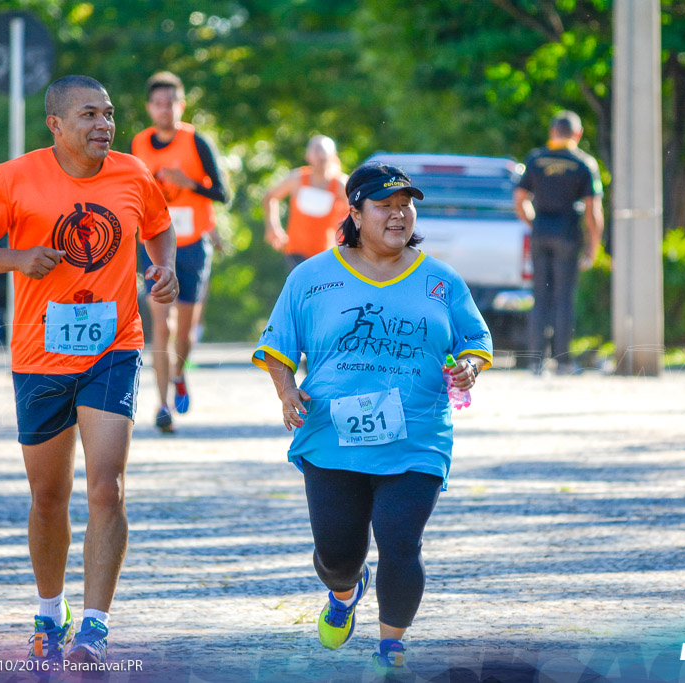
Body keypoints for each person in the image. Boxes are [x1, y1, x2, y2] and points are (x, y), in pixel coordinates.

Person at [0, 75, 177, 667]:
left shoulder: (132, 173)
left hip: (114, 348)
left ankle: (96, 625)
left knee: (107, 486)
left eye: (108, 114)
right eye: (89, 115)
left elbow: (159, 226)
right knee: (49, 497)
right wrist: (16, 257)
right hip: (39, 354)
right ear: (55, 124)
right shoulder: (14, 178)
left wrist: (164, 267)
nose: (104, 125)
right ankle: (51, 610)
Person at [253, 163, 492, 678]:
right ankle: (344, 591)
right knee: (337, 553)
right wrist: (286, 388)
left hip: (418, 436)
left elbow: (474, 340)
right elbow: (276, 345)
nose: (398, 213)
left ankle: (392, 647)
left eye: (406, 204)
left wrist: (468, 368)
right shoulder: (312, 277)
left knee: (400, 537)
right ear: (356, 213)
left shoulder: (440, 280)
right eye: (384, 204)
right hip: (332, 437)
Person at [131, 70, 228, 433]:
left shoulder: (196, 142)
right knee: (160, 321)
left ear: (181, 105)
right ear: (149, 107)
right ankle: (161, 404)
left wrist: (190, 184)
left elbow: (222, 193)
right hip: (154, 243)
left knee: (184, 329)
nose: (164, 109)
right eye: (158, 103)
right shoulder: (139, 144)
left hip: (192, 245)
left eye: (171, 102)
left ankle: (179, 373)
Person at [512, 110, 603, 375]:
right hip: (567, 235)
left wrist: (534, 223)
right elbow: (593, 211)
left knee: (540, 297)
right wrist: (593, 246)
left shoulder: (536, 159)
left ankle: (536, 362)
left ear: (553, 132)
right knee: (564, 298)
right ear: (578, 134)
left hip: (540, 233)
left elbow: (519, 200)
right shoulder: (584, 163)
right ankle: (563, 362)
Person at [263, 135, 348, 272]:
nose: (321, 155)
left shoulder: (340, 184)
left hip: (326, 254)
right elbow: (270, 197)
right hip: (295, 251)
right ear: (308, 156)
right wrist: (273, 227)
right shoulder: (297, 178)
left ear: (333, 156)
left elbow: (359, 210)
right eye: (316, 150)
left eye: (324, 151)